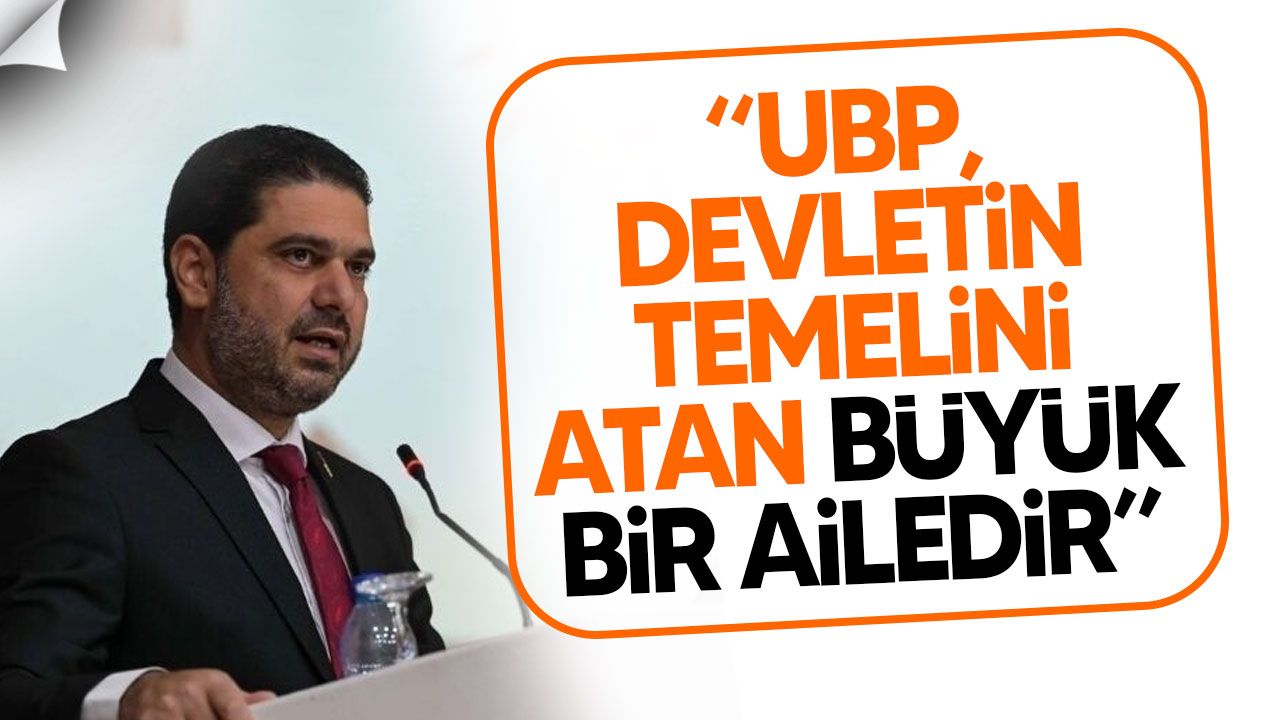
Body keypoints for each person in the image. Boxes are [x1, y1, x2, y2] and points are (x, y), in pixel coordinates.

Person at [0, 125, 445, 720]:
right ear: (196, 273)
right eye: (301, 256)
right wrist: (128, 699)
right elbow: (15, 688)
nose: (341, 295)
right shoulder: (81, 476)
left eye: (358, 267)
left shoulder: (370, 503)